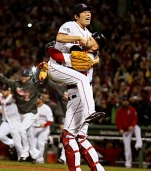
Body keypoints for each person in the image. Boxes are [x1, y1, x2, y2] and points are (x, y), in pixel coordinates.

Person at [46, 33, 106, 170]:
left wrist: (50, 48)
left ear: (96, 46)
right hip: (83, 96)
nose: (88, 39)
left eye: (91, 39)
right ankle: (98, 168)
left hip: (79, 97)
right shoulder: (89, 55)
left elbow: (58, 57)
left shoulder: (85, 57)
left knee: (68, 136)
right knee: (81, 137)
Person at [49, 3, 105, 123]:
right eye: (84, 12)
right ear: (76, 16)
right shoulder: (70, 25)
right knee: (82, 80)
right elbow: (59, 38)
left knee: (83, 81)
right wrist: (78, 38)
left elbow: (96, 51)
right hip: (56, 65)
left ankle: (88, 114)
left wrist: (94, 60)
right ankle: (90, 112)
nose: (88, 13)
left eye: (89, 12)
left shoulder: (88, 33)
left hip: (68, 67)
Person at [0, 67, 44, 162]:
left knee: (22, 130)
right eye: (22, 76)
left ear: (29, 77)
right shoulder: (16, 84)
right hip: (22, 114)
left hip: (31, 113)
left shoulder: (33, 85)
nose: (23, 78)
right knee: (29, 134)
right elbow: (5, 80)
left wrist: (46, 72)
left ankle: (25, 153)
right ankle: (34, 154)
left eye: (25, 76)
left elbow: (45, 82)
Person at [0, 84, 24, 160]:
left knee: (17, 142)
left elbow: (17, 95)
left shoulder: (12, 97)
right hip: (6, 122)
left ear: (9, 91)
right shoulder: (0, 97)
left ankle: (21, 156)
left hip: (15, 121)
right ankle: (11, 143)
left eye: (5, 90)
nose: (3, 91)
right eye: (2, 89)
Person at [115, 96, 143, 168]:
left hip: (132, 128)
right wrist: (119, 129)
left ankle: (138, 144)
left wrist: (132, 125)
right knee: (127, 147)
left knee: (137, 128)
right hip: (125, 131)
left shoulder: (132, 109)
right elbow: (117, 122)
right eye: (124, 101)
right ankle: (128, 163)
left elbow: (135, 119)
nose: (125, 102)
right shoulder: (119, 111)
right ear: (122, 102)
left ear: (128, 101)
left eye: (126, 101)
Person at [31, 94, 54, 164]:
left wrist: (44, 125)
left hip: (44, 129)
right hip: (34, 128)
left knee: (40, 143)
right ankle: (35, 158)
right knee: (33, 144)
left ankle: (40, 160)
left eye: (37, 99)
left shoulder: (46, 108)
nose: (35, 100)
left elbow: (50, 120)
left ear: (41, 100)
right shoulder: (33, 107)